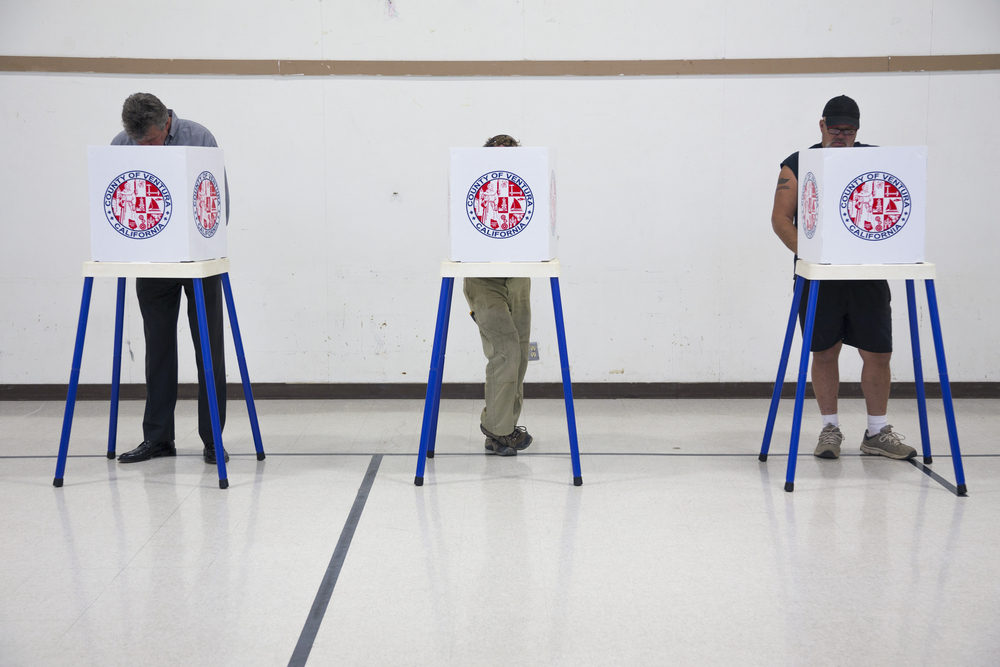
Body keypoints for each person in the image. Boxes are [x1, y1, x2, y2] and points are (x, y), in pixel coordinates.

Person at [770, 95, 916, 461]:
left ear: (858, 130)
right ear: (822, 125)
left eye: (848, 131)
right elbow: (780, 219)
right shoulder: (798, 163)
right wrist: (811, 255)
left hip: (866, 273)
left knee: (879, 352)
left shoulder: (874, 160)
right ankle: (830, 428)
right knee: (824, 352)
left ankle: (877, 432)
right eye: (834, 129)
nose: (841, 136)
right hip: (819, 276)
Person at [112, 92, 230, 465]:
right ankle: (158, 438)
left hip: (199, 261)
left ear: (166, 123)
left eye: (150, 141)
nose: (144, 148)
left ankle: (213, 439)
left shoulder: (199, 138)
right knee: (158, 349)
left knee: (209, 349)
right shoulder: (121, 144)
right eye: (138, 142)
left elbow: (218, 202)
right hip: (153, 262)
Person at [464, 134, 534, 456]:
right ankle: (497, 430)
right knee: (505, 352)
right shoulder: (472, 182)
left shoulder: (526, 183)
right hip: (483, 279)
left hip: (517, 275)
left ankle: (504, 429)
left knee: (520, 354)